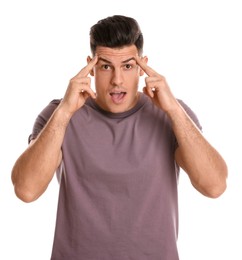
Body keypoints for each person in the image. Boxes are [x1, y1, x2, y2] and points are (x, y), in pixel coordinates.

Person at [11, 15, 228, 260]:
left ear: (142, 66)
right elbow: (26, 190)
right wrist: (63, 113)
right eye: (105, 66)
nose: (117, 80)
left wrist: (174, 110)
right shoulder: (58, 114)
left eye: (127, 66)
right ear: (90, 67)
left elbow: (215, 186)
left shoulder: (172, 114)